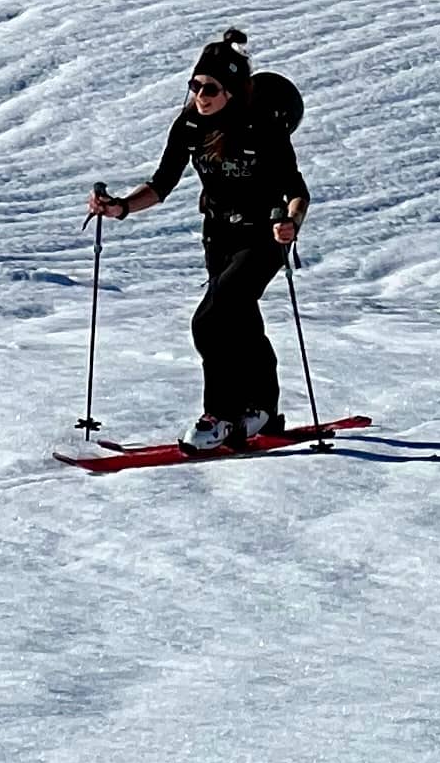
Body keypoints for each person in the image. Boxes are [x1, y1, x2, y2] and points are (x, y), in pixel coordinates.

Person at [89, 27, 308, 449]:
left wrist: (292, 225)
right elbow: (161, 183)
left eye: (209, 87)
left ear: (230, 90)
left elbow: (297, 192)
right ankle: (262, 410)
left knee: (211, 319)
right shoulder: (190, 123)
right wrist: (120, 207)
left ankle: (220, 416)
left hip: (262, 238)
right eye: (194, 85)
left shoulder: (262, 127)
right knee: (240, 320)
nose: (200, 95)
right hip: (218, 236)